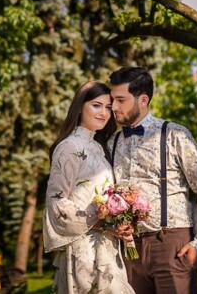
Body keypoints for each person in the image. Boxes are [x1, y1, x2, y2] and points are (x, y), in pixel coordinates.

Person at [106, 67, 197, 294]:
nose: (114, 107)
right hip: (129, 249)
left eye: (120, 100)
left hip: (172, 244)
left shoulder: (174, 135)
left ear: (143, 100)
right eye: (112, 100)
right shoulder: (113, 142)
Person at [43, 81, 136, 293]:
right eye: (96, 105)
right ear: (80, 107)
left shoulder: (98, 147)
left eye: (107, 107)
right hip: (84, 250)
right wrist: (102, 224)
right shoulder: (69, 147)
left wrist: (121, 220)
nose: (104, 112)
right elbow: (56, 202)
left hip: (108, 246)